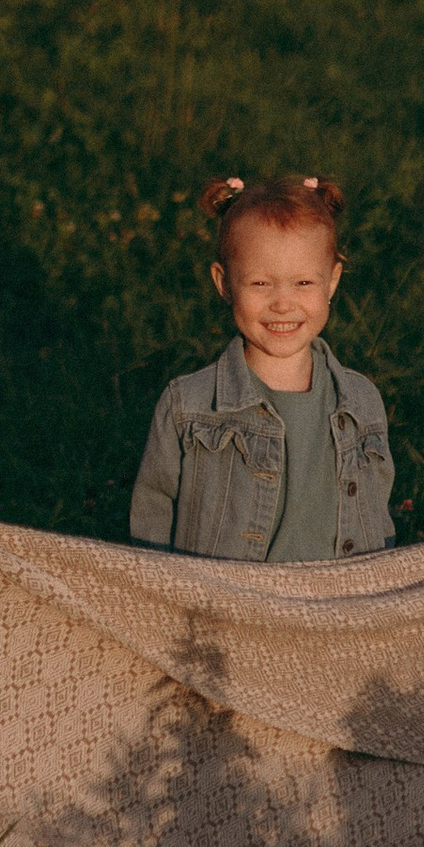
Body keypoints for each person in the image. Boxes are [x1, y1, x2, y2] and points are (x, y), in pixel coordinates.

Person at [129, 176, 396, 561]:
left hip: (337, 609)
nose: (282, 304)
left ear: (332, 281)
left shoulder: (361, 401)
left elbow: (377, 516)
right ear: (224, 283)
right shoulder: (189, 407)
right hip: (230, 608)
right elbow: (152, 519)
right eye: (260, 283)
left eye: (303, 282)